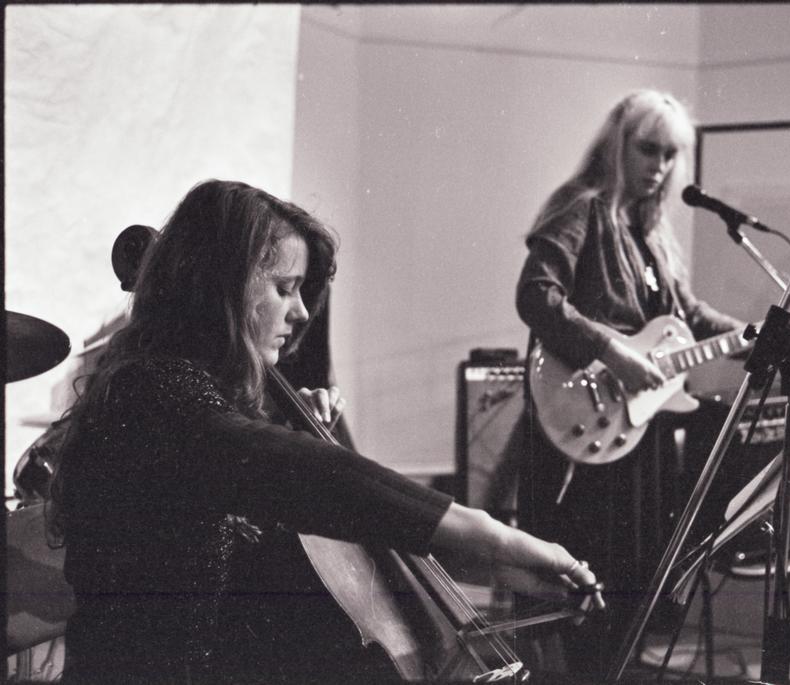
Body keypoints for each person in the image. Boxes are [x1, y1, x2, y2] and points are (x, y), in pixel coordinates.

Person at [48, 179, 603, 683]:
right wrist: (495, 536)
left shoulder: (189, 396)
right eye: (285, 288)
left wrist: (490, 565)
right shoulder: (155, 394)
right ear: (222, 285)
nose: (302, 313)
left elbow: (303, 515)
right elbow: (296, 473)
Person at [515, 89, 744, 676]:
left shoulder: (653, 233)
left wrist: (752, 331)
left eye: (671, 155)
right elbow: (536, 295)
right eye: (649, 150)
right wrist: (612, 351)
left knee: (632, 584)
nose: (660, 167)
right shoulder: (579, 206)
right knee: (581, 585)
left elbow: (687, 315)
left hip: (639, 438)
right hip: (583, 426)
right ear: (618, 143)